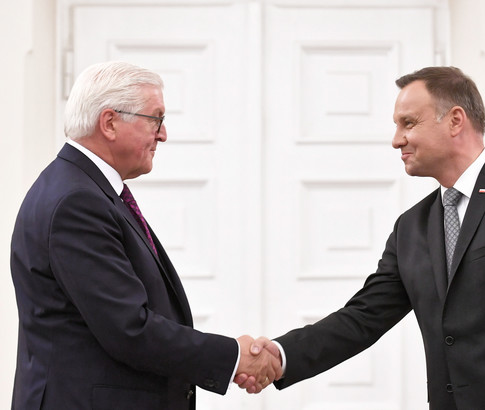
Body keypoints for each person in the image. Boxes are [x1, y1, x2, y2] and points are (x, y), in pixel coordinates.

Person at [238, 66, 485, 409]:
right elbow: (362, 318)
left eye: (408, 123)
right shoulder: (411, 228)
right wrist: (280, 355)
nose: (396, 140)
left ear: (454, 121)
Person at [10, 61, 281, 410]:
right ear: (109, 123)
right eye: (156, 119)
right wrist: (233, 357)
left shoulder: (84, 190)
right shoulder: (77, 202)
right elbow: (128, 329)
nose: (163, 134)